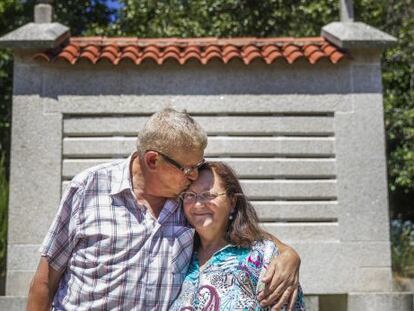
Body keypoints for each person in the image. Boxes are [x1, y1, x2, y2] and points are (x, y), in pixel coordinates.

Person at [27, 108, 301, 310]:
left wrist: (288, 253)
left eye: (198, 164)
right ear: (153, 160)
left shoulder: (188, 203)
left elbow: (232, 225)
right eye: (187, 168)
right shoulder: (88, 187)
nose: (194, 176)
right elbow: (43, 282)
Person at [170, 161, 305, 311]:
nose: (198, 204)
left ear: (232, 201)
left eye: (208, 195)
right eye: (190, 195)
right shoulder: (179, 255)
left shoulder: (263, 256)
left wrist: (289, 253)